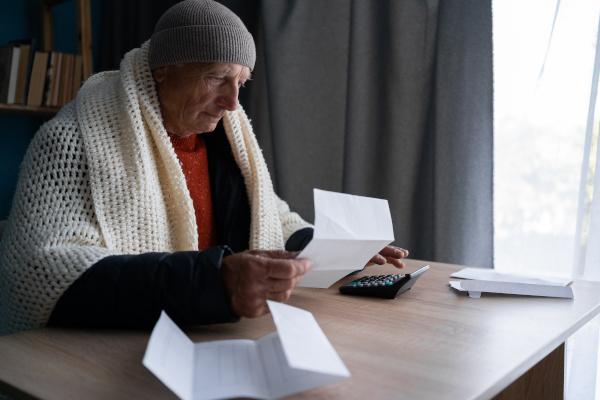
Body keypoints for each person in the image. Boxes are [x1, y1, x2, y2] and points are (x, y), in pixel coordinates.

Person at [0, 0, 408, 335]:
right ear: (163, 70)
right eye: (217, 78)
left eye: (240, 83)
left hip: (207, 333)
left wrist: (340, 248)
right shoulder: (71, 140)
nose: (232, 103)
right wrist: (216, 283)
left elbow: (273, 219)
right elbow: (41, 272)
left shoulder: (227, 142)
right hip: (101, 349)